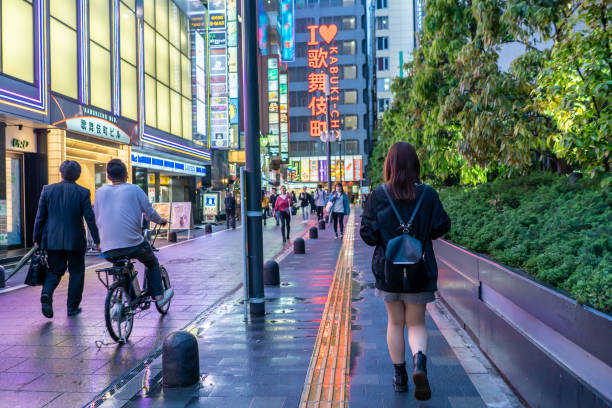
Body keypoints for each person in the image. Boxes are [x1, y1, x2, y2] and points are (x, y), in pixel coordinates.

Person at [360, 142, 451, 401]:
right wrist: (421, 234)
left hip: (388, 272)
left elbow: (367, 234)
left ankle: (400, 379)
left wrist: (387, 235)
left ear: (389, 164)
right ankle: (419, 364)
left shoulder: (378, 195)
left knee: (395, 322)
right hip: (420, 270)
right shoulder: (429, 195)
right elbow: (442, 225)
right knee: (417, 322)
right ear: (415, 165)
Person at [94, 159, 174, 308]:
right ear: (126, 175)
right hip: (133, 243)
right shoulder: (135, 189)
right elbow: (149, 213)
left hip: (108, 247)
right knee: (151, 262)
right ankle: (158, 295)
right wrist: (161, 220)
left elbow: (96, 218)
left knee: (121, 266)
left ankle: (130, 299)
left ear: (108, 176)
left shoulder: (100, 192)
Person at [33, 160, 100, 318]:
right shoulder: (83, 192)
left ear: (60, 173)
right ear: (78, 175)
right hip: (75, 240)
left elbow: (40, 217)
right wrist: (97, 240)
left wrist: (36, 238)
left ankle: (47, 293)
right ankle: (72, 307)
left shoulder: (48, 190)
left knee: (55, 270)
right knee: (76, 272)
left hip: (52, 239)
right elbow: (89, 218)